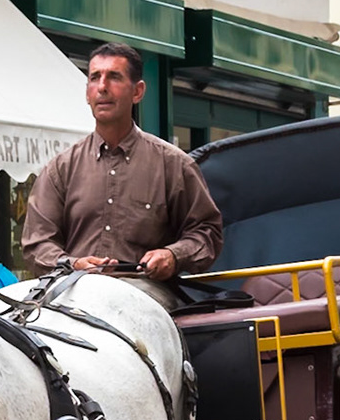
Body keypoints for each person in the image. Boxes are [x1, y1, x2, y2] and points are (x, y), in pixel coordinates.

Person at [20, 42, 222, 310]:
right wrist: (74, 264)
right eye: (95, 78)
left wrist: (172, 255)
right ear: (87, 93)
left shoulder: (173, 165)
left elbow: (207, 232)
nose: (102, 87)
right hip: (73, 292)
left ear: (137, 91)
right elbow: (37, 243)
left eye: (114, 77)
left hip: (148, 297)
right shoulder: (61, 168)